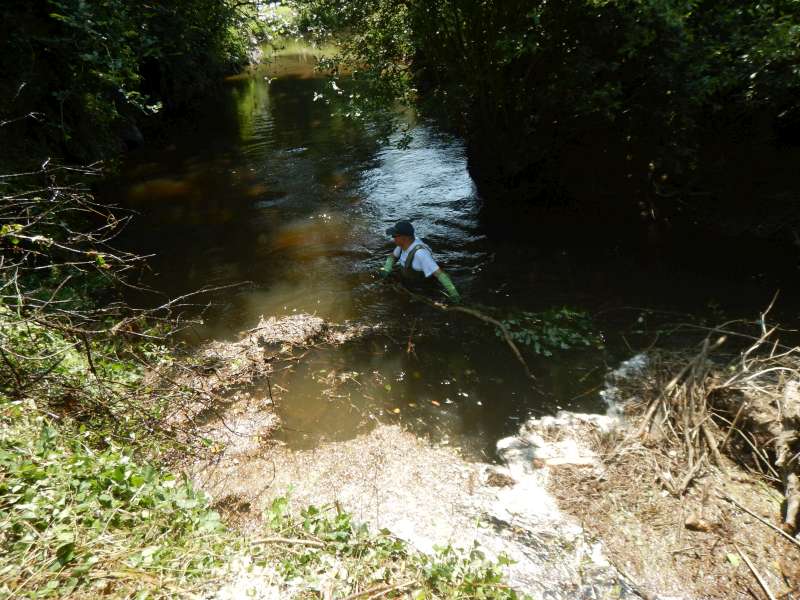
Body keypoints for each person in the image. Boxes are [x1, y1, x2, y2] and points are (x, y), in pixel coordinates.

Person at [378, 220, 461, 303]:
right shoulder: (402, 245)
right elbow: (392, 256)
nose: (392, 238)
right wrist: (387, 268)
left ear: (405, 238)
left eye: (394, 236)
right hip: (407, 279)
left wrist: (454, 293)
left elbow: (439, 274)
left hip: (421, 287)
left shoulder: (420, 253)